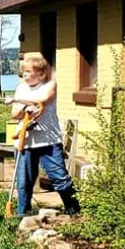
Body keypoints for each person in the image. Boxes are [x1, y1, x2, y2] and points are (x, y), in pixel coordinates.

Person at [9, 52, 80, 217]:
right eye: (23, 72)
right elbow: (15, 114)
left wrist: (17, 101)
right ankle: (22, 213)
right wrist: (22, 108)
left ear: (40, 73)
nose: (24, 76)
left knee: (60, 177)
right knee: (24, 180)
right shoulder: (21, 88)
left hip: (49, 141)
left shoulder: (50, 85)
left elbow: (42, 100)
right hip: (26, 141)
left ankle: (74, 211)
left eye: (28, 72)